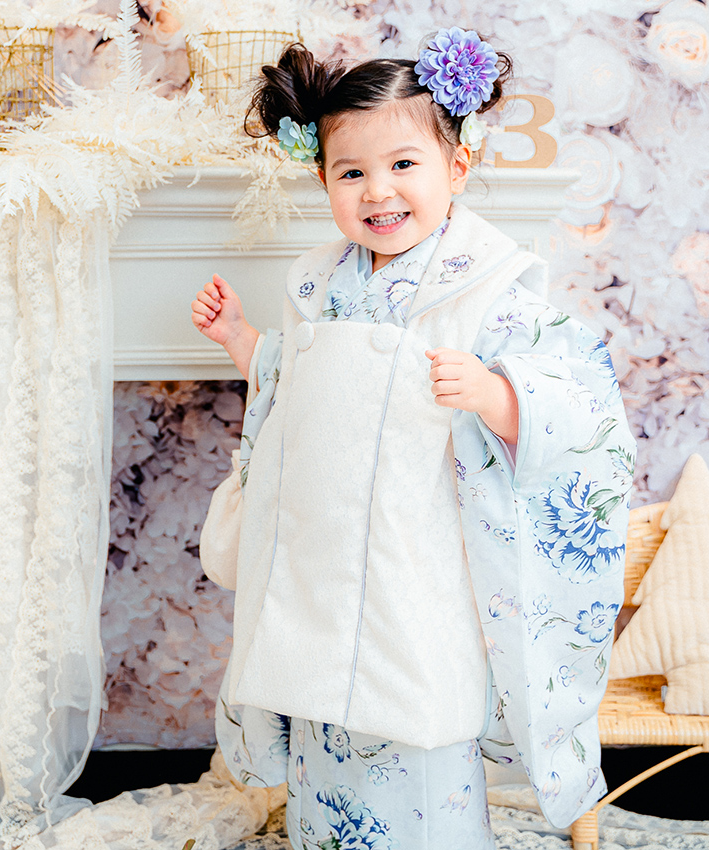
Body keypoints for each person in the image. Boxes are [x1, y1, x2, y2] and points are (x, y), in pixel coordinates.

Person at [191, 29, 636, 850]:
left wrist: (496, 394)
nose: (378, 191)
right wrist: (245, 343)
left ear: (456, 167)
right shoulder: (320, 284)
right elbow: (300, 394)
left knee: (417, 732)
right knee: (322, 712)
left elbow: (582, 407)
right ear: (322, 178)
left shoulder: (491, 284)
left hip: (420, 559)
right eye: (351, 172)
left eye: (403, 163)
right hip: (325, 563)